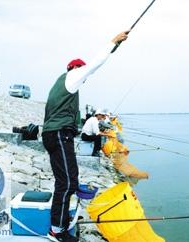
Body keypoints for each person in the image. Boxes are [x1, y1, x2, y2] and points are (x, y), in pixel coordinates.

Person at [42, 30, 129, 242]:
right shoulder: (72, 77)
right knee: (66, 183)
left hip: (58, 135)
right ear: (75, 68)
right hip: (59, 135)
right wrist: (113, 43)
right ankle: (56, 230)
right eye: (82, 71)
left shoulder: (61, 84)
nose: (84, 76)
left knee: (70, 181)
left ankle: (60, 222)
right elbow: (94, 65)